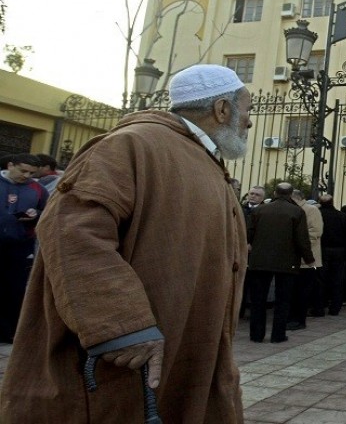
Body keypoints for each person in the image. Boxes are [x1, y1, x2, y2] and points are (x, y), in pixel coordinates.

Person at [0, 64, 252, 422]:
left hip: (185, 343)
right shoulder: (131, 144)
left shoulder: (200, 158)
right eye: (247, 110)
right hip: (127, 357)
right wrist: (122, 325)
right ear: (222, 109)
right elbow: (71, 231)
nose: (249, 121)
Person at [247, 183, 315, 343]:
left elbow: (249, 234)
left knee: (258, 299)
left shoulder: (259, 210)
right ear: (291, 194)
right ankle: (278, 335)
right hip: (287, 261)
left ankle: (256, 334)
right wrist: (309, 259)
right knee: (283, 300)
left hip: (260, 260)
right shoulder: (297, 212)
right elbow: (302, 239)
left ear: (275, 193)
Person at [0, 153, 47, 344]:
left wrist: (37, 214)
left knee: (15, 289)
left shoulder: (39, 190)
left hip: (21, 246)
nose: (27, 176)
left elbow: (49, 212)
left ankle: (9, 331)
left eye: (31, 173)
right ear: (10, 165)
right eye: (23, 170)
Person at [288, 189, 323, 330]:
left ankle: (299, 320)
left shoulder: (311, 210)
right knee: (291, 291)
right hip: (291, 259)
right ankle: (291, 318)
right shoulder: (293, 209)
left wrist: (293, 241)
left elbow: (315, 232)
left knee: (302, 291)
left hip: (307, 260)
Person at [315, 194, 346, 316]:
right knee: (337, 280)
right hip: (339, 251)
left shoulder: (318, 215)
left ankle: (319, 308)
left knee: (320, 280)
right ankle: (335, 308)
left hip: (321, 250)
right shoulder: (342, 216)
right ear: (333, 202)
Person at [239, 185, 266, 319]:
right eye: (252, 193)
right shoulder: (240, 208)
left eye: (257, 195)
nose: (253, 196)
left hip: (256, 252)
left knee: (256, 284)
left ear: (262, 198)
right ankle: (239, 311)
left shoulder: (265, 211)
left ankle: (255, 313)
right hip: (239, 250)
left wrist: (253, 244)